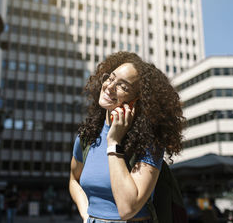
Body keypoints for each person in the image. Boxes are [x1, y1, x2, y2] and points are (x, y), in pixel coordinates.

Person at [69, 52, 185, 223]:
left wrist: (114, 142)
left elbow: (127, 208)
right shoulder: (88, 136)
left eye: (123, 86)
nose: (109, 86)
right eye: (110, 78)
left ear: (137, 101)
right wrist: (87, 215)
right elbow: (73, 180)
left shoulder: (149, 144)